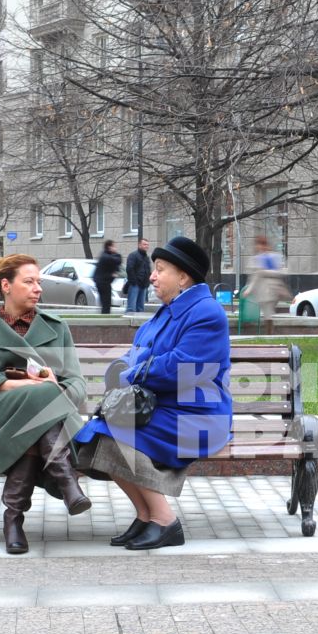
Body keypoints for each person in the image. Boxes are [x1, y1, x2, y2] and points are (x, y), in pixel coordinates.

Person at [72, 236, 233, 551]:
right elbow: (136, 355)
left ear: (183, 276)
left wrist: (132, 372)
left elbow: (180, 367)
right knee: (97, 433)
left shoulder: (205, 313)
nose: (152, 276)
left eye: (160, 269)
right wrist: (127, 369)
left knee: (112, 433)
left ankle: (165, 520)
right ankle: (146, 515)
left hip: (198, 417)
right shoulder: (168, 311)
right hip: (164, 408)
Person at [0, 253, 93, 554]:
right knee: (44, 398)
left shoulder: (56, 327)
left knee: (40, 413)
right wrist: (22, 384)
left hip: (45, 418)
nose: (38, 288)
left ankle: (13, 518)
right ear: (6, 286)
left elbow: (77, 385)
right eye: (29, 281)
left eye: (40, 282)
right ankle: (67, 481)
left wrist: (51, 388)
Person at [246, 235, 288, 317]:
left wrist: (263, 272)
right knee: (267, 315)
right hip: (262, 290)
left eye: (262, 244)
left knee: (268, 314)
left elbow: (279, 272)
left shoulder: (271, 257)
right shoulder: (257, 258)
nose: (259, 247)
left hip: (269, 290)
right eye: (258, 245)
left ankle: (269, 327)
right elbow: (254, 276)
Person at [124, 237, 152, 313]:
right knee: (131, 307)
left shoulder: (146, 257)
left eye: (147, 245)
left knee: (141, 307)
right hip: (135, 284)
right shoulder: (133, 255)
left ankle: (139, 324)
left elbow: (148, 270)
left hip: (144, 285)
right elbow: (129, 269)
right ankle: (128, 322)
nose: (146, 246)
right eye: (144, 244)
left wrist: (148, 282)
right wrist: (134, 281)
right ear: (139, 245)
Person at [93, 238, 121, 313]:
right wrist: (112, 275)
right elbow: (118, 260)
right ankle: (105, 316)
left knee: (106, 302)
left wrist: (114, 273)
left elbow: (117, 264)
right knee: (106, 302)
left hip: (105, 282)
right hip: (102, 282)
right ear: (109, 247)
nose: (115, 248)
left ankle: (105, 314)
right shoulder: (105, 256)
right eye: (114, 246)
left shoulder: (108, 255)